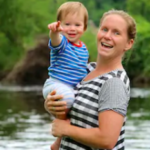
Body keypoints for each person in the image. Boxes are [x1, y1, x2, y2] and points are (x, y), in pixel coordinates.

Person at [45, 9, 136, 150]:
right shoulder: (86, 70)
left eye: (116, 33)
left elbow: (107, 140)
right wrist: (51, 105)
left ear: (128, 44)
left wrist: (66, 130)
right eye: (104, 29)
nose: (107, 36)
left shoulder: (114, 82)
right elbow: (73, 110)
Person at [42, 1, 89, 150]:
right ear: (60, 25)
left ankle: (59, 142)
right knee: (67, 99)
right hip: (56, 84)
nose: (72, 29)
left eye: (77, 25)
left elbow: (82, 69)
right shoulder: (62, 44)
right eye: (67, 24)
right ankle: (63, 129)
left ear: (84, 28)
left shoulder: (84, 48)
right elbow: (55, 40)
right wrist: (54, 32)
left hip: (72, 87)